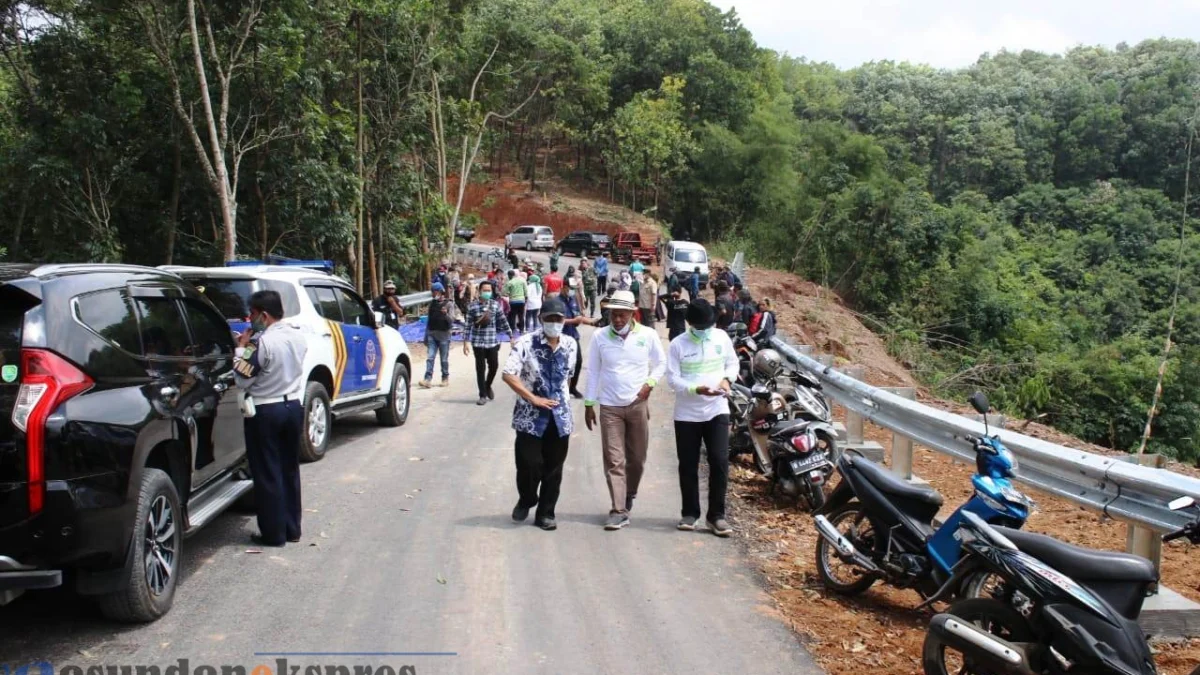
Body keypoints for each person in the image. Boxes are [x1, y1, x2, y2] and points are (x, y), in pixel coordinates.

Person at [582, 290, 666, 530]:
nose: (617, 320)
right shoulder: (600, 337)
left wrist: (649, 385)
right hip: (609, 407)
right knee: (614, 459)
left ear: (632, 313)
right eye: (613, 315)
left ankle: (629, 492)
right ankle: (618, 509)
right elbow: (594, 371)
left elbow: (661, 363)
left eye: (622, 315)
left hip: (637, 404)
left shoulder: (648, 335)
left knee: (637, 459)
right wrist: (589, 404)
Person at [233, 290, 308, 547]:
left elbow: (242, 378)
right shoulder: (298, 337)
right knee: (289, 469)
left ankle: (273, 534)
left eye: (252, 314)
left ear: (263, 315)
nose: (249, 319)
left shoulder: (260, 343)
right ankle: (292, 528)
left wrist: (240, 349)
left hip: (266, 411)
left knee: (267, 472)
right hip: (293, 406)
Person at [501, 298, 578, 531]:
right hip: (530, 417)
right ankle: (527, 498)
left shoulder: (570, 344)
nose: (555, 323)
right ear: (540, 318)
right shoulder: (526, 343)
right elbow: (508, 373)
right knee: (529, 464)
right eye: (550, 318)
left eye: (559, 319)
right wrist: (532, 397)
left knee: (554, 469)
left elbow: (569, 375)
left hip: (559, 416)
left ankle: (546, 513)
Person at [666, 299, 739, 537]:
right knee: (688, 464)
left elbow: (732, 362)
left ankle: (716, 516)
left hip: (717, 409)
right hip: (687, 414)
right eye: (700, 326)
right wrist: (696, 389)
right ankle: (690, 513)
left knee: (719, 461)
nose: (705, 329)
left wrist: (727, 379)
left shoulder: (721, 338)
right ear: (690, 323)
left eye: (708, 325)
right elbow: (673, 379)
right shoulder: (678, 344)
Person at [464, 280, 512, 406]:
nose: (487, 292)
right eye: (484, 290)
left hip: (492, 342)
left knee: (494, 366)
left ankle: (487, 385)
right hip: (478, 343)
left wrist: (511, 336)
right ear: (479, 291)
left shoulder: (495, 305)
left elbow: (503, 320)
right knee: (480, 369)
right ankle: (482, 395)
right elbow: (468, 325)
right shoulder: (472, 307)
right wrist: (465, 342)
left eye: (489, 290)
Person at [420, 282, 454, 388]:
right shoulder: (432, 304)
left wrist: (445, 314)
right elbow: (429, 320)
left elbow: (451, 321)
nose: (433, 294)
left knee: (444, 359)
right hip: (432, 334)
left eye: (435, 292)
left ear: (440, 292)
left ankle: (445, 378)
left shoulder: (449, 304)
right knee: (430, 357)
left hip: (444, 335)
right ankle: (427, 379)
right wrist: (426, 336)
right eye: (432, 292)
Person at [504, 269, 527, 336]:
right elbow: (526, 291)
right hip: (521, 301)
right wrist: (525, 298)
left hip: (513, 301)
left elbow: (504, 292)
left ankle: (513, 330)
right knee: (521, 316)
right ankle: (521, 330)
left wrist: (509, 294)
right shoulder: (523, 281)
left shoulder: (510, 282)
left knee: (513, 316)